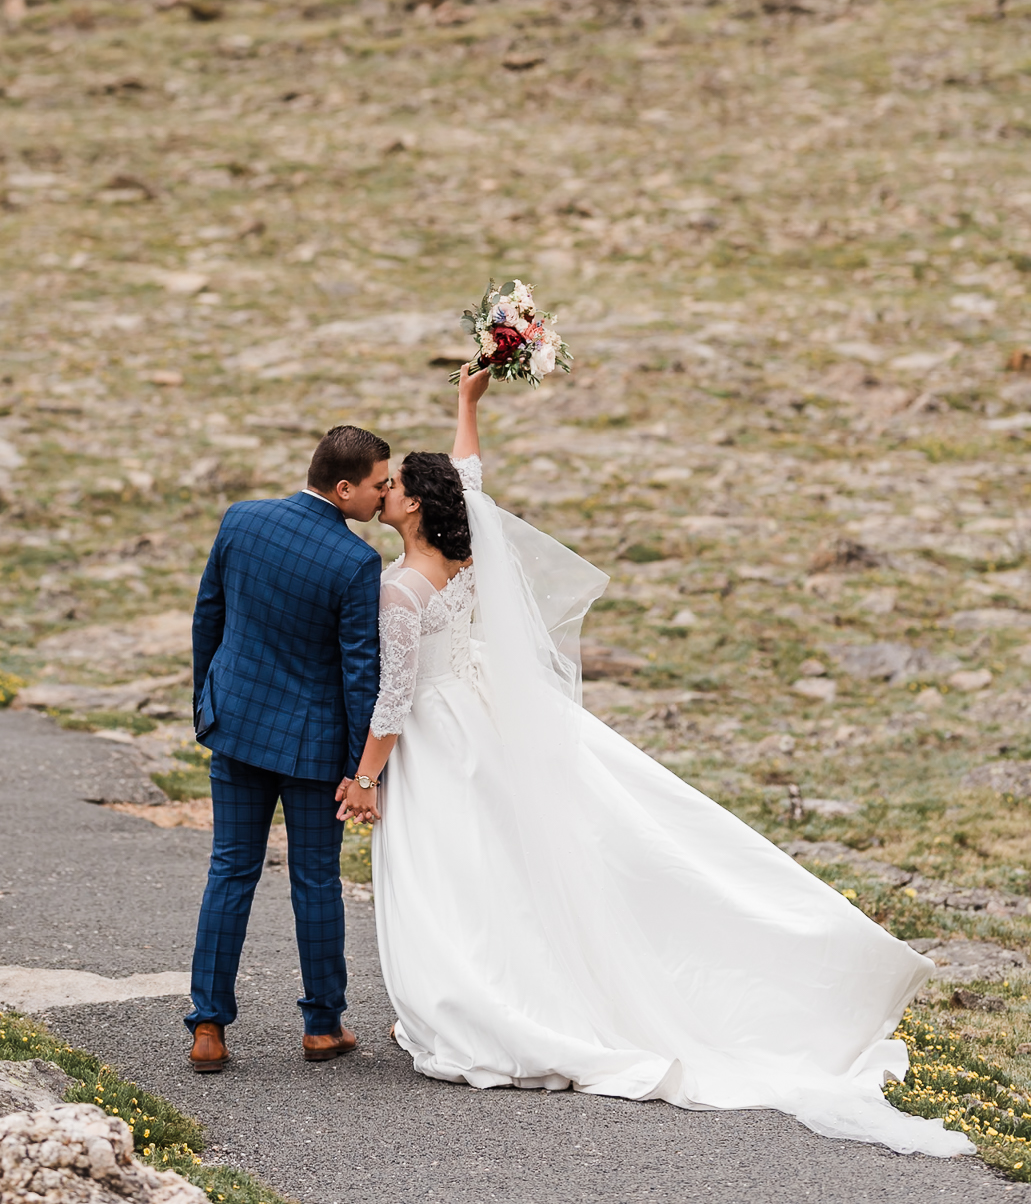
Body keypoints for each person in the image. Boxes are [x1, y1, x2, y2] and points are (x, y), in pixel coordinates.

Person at [340, 368, 972, 1159]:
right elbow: (468, 476)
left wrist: (364, 778)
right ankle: (509, 984)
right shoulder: (464, 561)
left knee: (454, 866)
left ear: (416, 508)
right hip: (486, 719)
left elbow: (393, 699)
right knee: (499, 859)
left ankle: (476, 1002)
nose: (385, 491)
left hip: (439, 735)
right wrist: (466, 407)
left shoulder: (401, 589)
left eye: (394, 486)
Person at [185, 423, 388, 1072]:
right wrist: (364, 770)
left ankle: (208, 1027)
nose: (384, 497)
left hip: (237, 727)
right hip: (311, 746)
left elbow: (207, 616)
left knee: (230, 870)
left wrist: (205, 703)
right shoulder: (355, 563)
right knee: (314, 880)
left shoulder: (240, 520)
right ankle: (322, 1026)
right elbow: (360, 675)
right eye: (379, 485)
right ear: (344, 486)